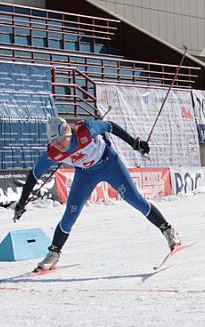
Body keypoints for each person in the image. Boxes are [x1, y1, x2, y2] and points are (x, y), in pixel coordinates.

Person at [12, 115, 182, 271]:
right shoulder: (53, 153)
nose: (58, 146)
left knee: (135, 200)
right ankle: (53, 253)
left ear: (67, 133)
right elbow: (34, 175)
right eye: (54, 143)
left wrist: (134, 143)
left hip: (109, 164)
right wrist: (21, 203)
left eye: (60, 141)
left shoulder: (86, 130)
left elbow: (110, 126)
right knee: (70, 214)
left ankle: (168, 231)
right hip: (86, 173)